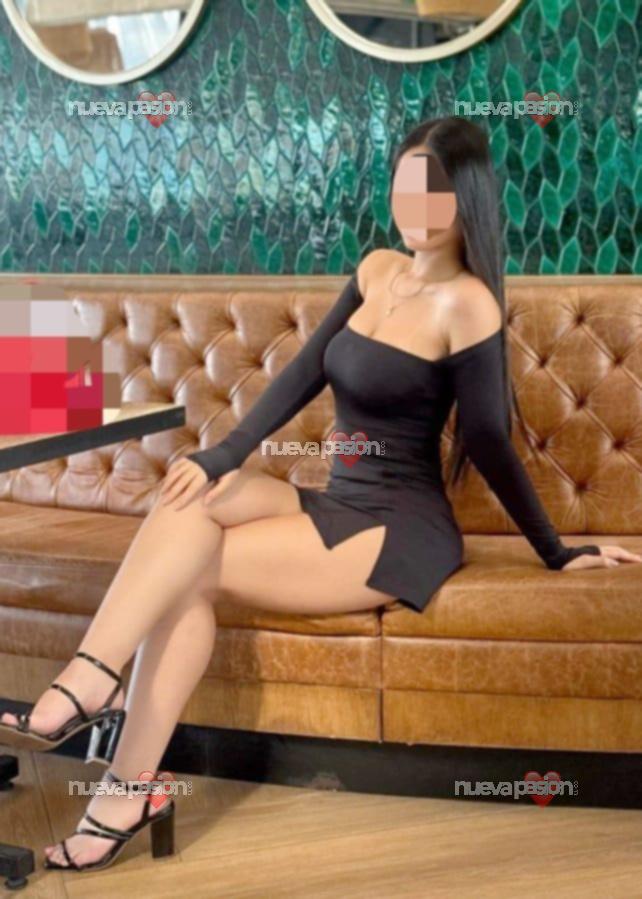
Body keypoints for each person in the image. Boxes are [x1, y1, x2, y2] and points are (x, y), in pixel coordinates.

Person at [1, 116, 639, 873]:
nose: (416, 206)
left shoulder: (468, 305)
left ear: (466, 198)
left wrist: (555, 550)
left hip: (399, 529)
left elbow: (492, 442)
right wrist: (224, 452)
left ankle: (108, 748)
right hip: (338, 497)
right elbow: (303, 372)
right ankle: (99, 700)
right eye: (405, 186)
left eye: (434, 190)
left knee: (183, 572)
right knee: (192, 496)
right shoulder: (376, 270)